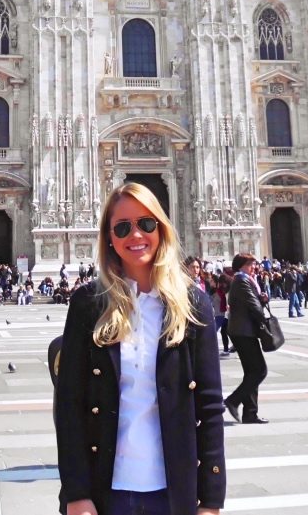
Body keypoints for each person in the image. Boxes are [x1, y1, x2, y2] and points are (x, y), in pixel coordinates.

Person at [55, 182, 225, 515]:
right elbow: (69, 406)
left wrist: (212, 500)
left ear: (161, 228)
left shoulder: (192, 305)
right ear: (108, 237)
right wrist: (75, 492)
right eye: (122, 227)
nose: (136, 235)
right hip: (108, 491)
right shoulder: (89, 305)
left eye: (146, 223)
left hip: (173, 490)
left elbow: (209, 407)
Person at [225, 252, 270, 426]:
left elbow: (253, 301)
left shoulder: (245, 280)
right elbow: (253, 306)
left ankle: (250, 413)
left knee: (252, 372)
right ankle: (233, 400)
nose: (255, 267)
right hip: (243, 331)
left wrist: (262, 299)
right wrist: (265, 322)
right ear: (242, 265)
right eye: (251, 264)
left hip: (243, 330)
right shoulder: (242, 280)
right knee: (260, 371)